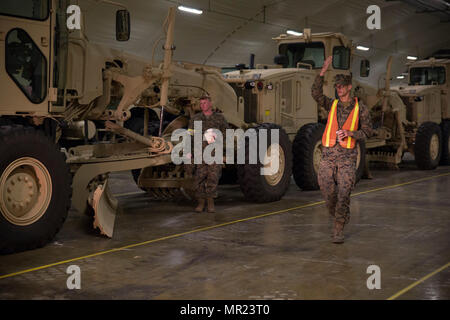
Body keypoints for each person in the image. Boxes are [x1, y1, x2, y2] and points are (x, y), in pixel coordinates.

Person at [311, 56, 376, 243]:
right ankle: (341, 213)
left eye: (341, 86)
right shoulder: (332, 104)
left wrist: (351, 133)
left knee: (344, 191)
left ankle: (338, 228)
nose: (338, 89)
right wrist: (322, 72)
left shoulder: (360, 108)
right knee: (327, 190)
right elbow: (316, 94)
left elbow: (368, 132)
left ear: (349, 87)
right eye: (337, 86)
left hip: (347, 158)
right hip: (329, 155)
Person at [187, 96, 228, 213]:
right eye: (201, 103)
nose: (203, 105)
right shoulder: (195, 119)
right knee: (199, 177)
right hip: (199, 153)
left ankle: (210, 202)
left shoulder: (219, 118)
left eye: (205, 103)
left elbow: (227, 133)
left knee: (213, 177)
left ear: (210, 104)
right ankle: (200, 203)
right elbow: (189, 135)